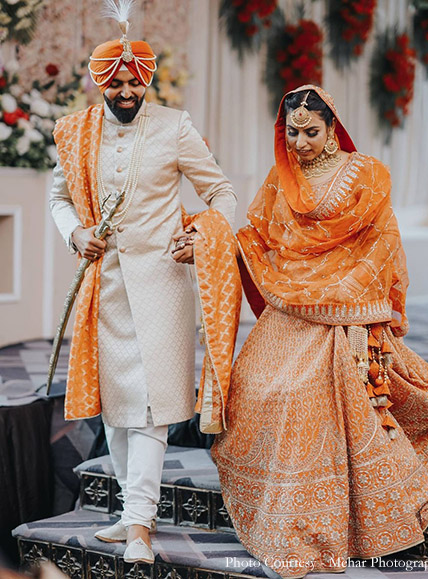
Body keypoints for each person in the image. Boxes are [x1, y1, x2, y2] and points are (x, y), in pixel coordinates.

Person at [211, 85, 428, 576]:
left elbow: (383, 237)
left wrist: (349, 294)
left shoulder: (365, 173)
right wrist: (207, 237)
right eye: (291, 133)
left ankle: (388, 531)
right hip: (291, 306)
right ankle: (280, 512)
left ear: (332, 129)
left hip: (347, 311)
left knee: (309, 393)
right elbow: (257, 235)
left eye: (310, 132)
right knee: (255, 388)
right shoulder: (280, 177)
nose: (300, 143)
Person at [49, 4, 236, 565]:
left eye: (136, 81)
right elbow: (58, 199)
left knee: (153, 406)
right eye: (118, 82)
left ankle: (138, 524)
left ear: (147, 80)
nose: (128, 90)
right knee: (118, 404)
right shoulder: (77, 132)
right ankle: (132, 513)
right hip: (102, 291)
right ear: (100, 83)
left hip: (164, 286)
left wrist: (203, 234)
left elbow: (221, 192)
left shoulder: (175, 126)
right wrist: (76, 233)